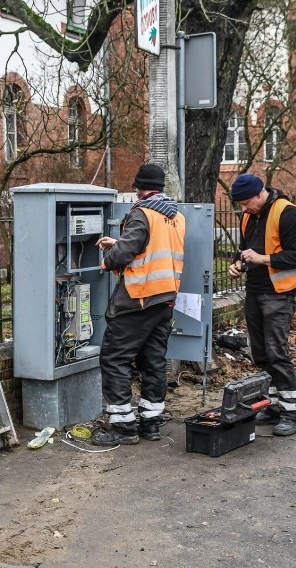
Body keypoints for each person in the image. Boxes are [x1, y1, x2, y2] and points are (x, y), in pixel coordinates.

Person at [91, 164, 186, 446]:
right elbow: (150, 247)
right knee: (153, 361)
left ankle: (123, 427)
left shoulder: (142, 213)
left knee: (115, 358)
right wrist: (120, 243)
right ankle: (151, 422)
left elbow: (126, 253)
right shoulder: (175, 215)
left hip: (138, 299)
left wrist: (109, 258)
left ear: (139, 188)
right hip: (165, 298)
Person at [228, 173, 296, 436]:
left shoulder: (287, 213)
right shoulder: (250, 216)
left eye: (245, 203)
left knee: (277, 352)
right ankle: (273, 404)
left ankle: (290, 411)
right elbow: (244, 249)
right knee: (261, 353)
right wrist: (238, 263)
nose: (243, 208)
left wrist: (262, 259)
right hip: (256, 290)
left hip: (279, 293)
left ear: (258, 194)